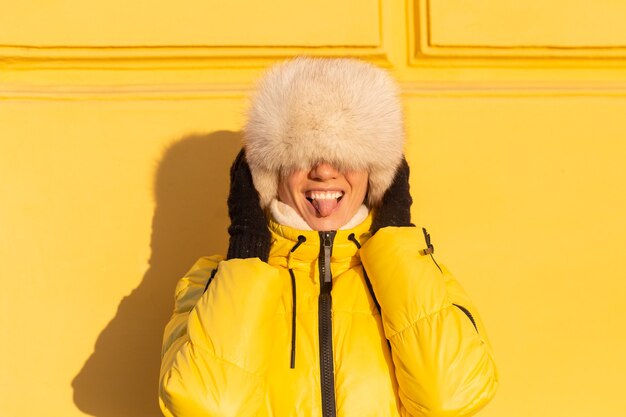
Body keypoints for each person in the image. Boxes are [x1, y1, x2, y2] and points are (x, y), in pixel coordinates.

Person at [158, 57, 498, 417]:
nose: (323, 171)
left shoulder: (422, 275)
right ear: (270, 172)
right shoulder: (211, 282)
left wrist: (395, 232)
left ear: (378, 173)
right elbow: (206, 406)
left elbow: (452, 397)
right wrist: (247, 250)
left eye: (345, 155)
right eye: (301, 156)